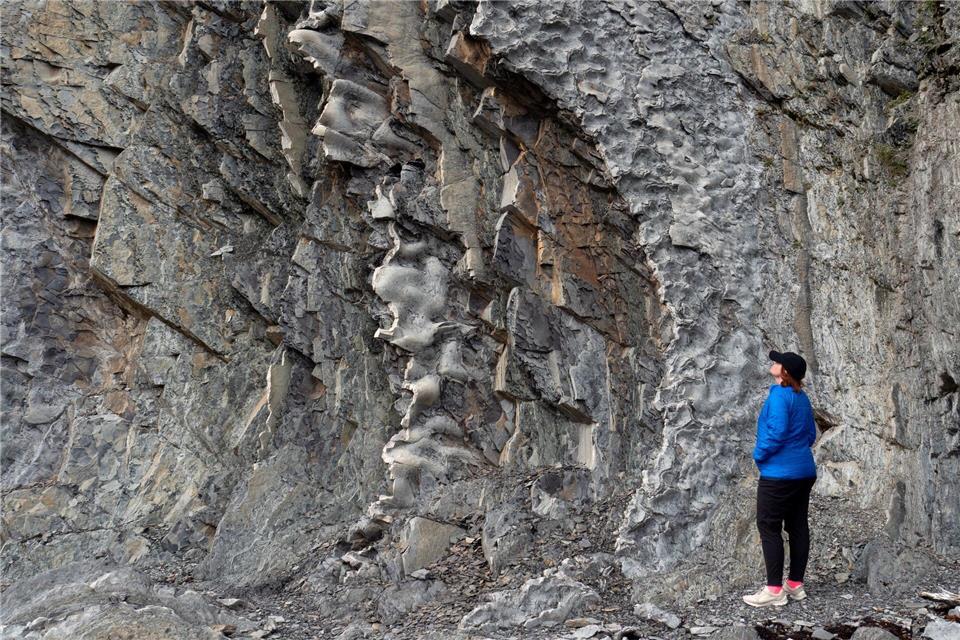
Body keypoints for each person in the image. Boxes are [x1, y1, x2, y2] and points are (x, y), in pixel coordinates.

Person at [743, 350, 818, 608]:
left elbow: (775, 432)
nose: (773, 363)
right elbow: (810, 435)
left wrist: (759, 455)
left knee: (769, 526)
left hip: (779, 475)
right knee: (797, 526)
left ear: (784, 372)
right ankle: (795, 585)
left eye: (778, 362)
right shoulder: (802, 397)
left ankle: (774, 590)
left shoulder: (778, 396)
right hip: (804, 472)